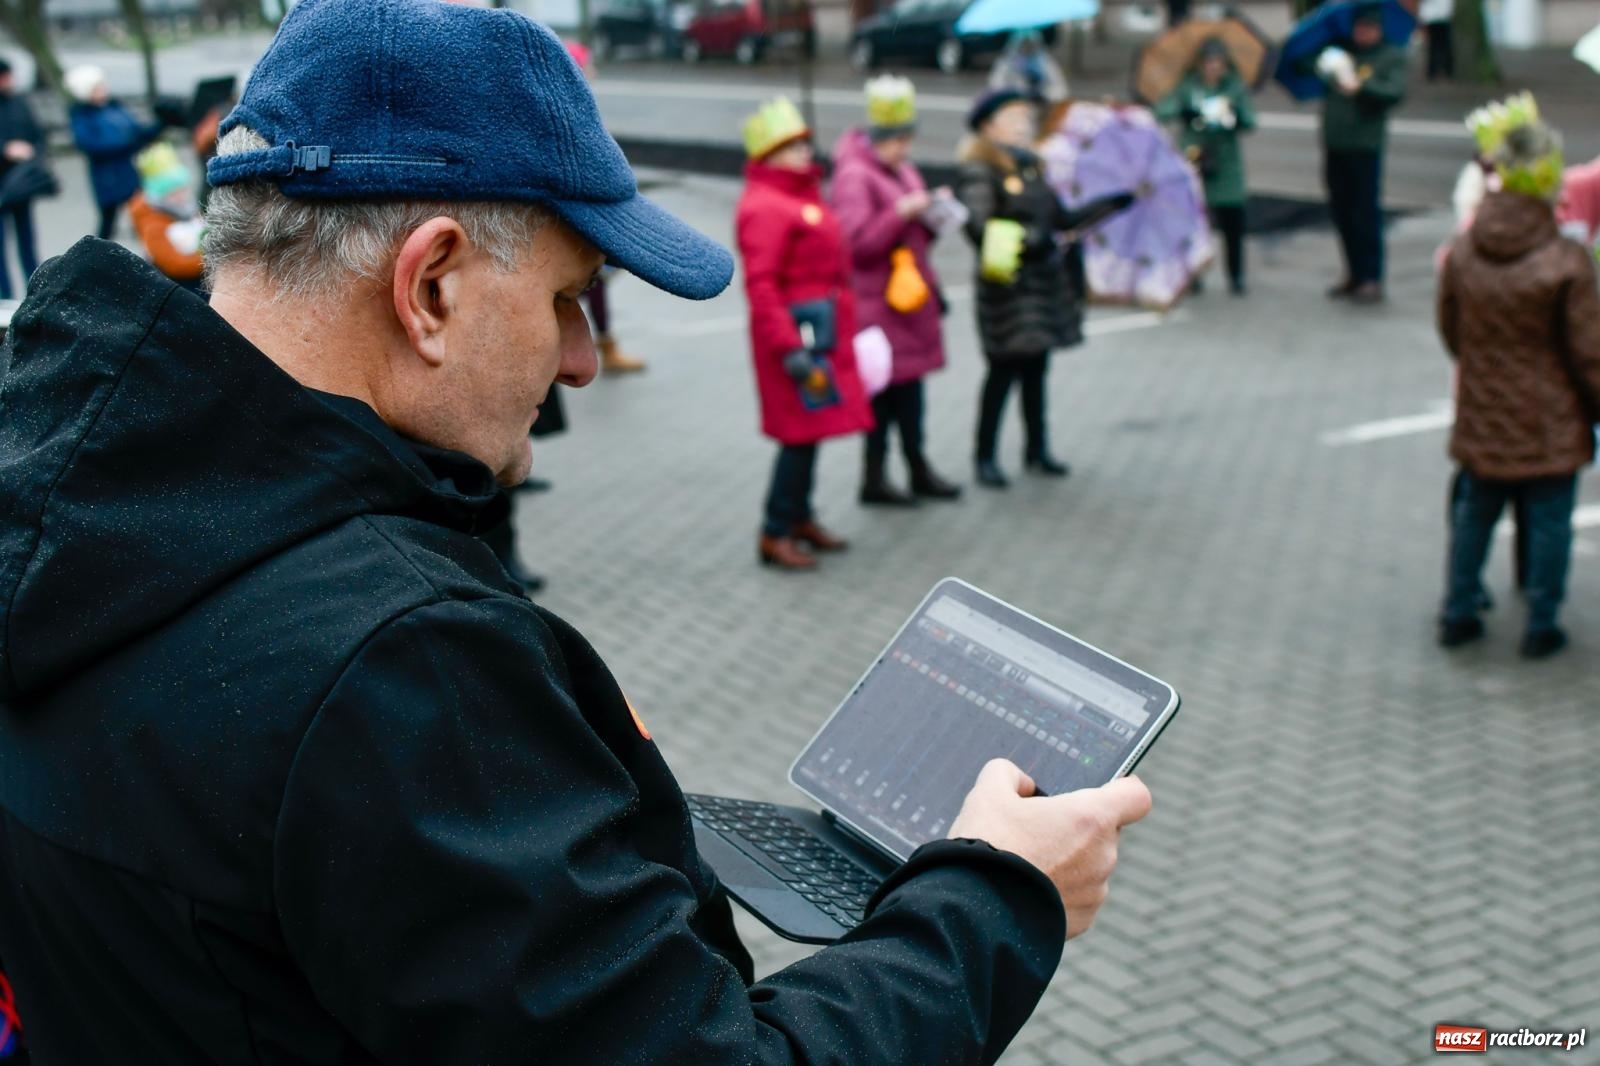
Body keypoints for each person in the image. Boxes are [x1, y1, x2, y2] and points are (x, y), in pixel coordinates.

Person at [0, 2, 1154, 1060]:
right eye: (568, 298)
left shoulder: (72, 510)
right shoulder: (398, 663)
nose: (585, 360)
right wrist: (994, 895)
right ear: (432, 286)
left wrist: (549, 792)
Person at [1436, 106, 1600, 659]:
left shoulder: (1464, 248)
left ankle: (1458, 610)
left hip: (1483, 406)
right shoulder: (1566, 260)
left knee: (1474, 514)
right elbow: (1589, 351)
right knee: (1551, 521)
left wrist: (1484, 367)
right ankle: (1541, 622)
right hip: (1550, 415)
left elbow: (1451, 328)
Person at [957, 89, 1131, 489]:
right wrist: (1038, 239)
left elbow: (1062, 219)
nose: (1023, 124)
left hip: (1039, 284)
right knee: (1002, 371)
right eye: (1014, 117)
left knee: (1036, 368)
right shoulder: (980, 168)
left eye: (1026, 117)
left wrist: (1112, 204)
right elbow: (980, 229)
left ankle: (1037, 449)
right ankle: (985, 456)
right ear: (989, 125)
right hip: (1006, 289)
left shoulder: (1032, 167)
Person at [737, 96, 874, 570]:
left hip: (817, 336)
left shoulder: (799, 196)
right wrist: (789, 347)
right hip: (794, 343)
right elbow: (762, 285)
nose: (804, 154)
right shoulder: (767, 206)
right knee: (797, 435)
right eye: (792, 146)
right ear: (769, 154)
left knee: (810, 430)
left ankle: (798, 517)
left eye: (804, 144)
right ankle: (774, 530)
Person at [830, 75, 962, 507]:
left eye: (908, 140)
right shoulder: (854, 177)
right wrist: (901, 211)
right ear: (876, 139)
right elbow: (856, 246)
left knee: (911, 395)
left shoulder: (903, 171)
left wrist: (932, 215)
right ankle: (875, 478)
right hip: (877, 306)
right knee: (883, 399)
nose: (904, 150)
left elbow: (913, 238)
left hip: (908, 302)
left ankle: (917, 468)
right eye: (896, 141)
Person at [1313, 3, 1406, 305]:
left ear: (1378, 29)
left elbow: (1394, 92)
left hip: (1365, 146)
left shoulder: (1389, 55)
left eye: (1368, 28)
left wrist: (1361, 86)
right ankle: (1352, 272)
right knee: (1341, 211)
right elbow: (1308, 70)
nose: (1362, 33)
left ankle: (1371, 276)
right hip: (1335, 144)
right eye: (1358, 28)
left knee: (1365, 212)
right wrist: (1326, 64)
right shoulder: (1340, 53)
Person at [565, 39, 646, 374]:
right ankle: (593, 345)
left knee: (592, 285)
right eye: (588, 66)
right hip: (583, 216)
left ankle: (601, 344)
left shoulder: (580, 110)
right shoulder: (571, 115)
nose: (594, 72)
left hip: (589, 214)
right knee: (586, 283)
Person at [1156, 38, 1257, 296]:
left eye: (1217, 62)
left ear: (1225, 64)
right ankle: (1193, 273)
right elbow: (1162, 109)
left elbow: (1250, 121)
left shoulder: (1234, 88)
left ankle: (1236, 275)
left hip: (1225, 160)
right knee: (1192, 221)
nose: (1212, 67)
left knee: (1232, 220)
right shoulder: (1189, 85)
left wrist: (1232, 117)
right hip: (1195, 157)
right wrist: (1185, 110)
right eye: (1208, 62)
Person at [65, 64, 162, 241]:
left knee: (143, 219)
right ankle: (96, 260)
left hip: (129, 171)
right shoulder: (82, 114)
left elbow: (137, 132)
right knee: (108, 222)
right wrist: (126, 143)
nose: (102, 91)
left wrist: (159, 124)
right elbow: (90, 144)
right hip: (107, 176)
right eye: (96, 88)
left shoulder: (115, 107)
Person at [127, 143, 205, 293]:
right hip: (178, 287)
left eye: (182, 189)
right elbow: (172, 264)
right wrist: (210, 261)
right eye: (173, 192)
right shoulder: (153, 223)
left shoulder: (188, 210)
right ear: (160, 194)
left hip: (197, 279)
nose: (181, 196)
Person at [0, 58, 45, 301]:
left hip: (22, 184)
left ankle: (36, 292)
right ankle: (4, 298)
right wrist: (6, 149)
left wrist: (32, 154)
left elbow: (36, 134)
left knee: (27, 242)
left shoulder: (18, 102)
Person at [1419, 0, 1454, 80]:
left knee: (1436, 46)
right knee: (1440, 46)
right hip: (1439, 17)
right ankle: (1440, 72)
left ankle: (1436, 72)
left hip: (1437, 18)